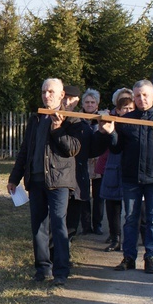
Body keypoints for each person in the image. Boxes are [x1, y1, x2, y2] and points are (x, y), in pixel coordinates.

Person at [7, 78, 81, 287]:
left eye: (50, 92)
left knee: (59, 224)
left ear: (61, 95)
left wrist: (58, 129)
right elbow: (25, 151)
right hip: (36, 179)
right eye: (43, 92)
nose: (46, 95)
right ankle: (42, 269)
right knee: (39, 226)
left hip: (59, 181)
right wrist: (14, 178)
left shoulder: (71, 119)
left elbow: (73, 148)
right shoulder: (36, 119)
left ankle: (61, 271)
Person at [97, 80, 153, 275]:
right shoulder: (127, 120)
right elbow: (117, 148)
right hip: (131, 178)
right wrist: (111, 134)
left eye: (145, 95)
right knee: (130, 219)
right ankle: (128, 257)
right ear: (134, 98)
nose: (141, 99)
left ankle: (150, 257)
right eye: (138, 96)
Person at [99, 95, 135, 251]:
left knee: (133, 209)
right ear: (118, 110)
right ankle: (115, 238)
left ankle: (133, 239)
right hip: (113, 167)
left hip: (131, 169)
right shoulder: (112, 125)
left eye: (130, 108)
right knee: (112, 206)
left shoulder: (138, 124)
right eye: (124, 108)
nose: (127, 111)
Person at [63, 85, 93, 241]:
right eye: (65, 97)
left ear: (76, 101)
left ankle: (65, 254)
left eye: (71, 99)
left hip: (77, 179)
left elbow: (93, 149)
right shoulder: (53, 121)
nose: (67, 101)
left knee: (72, 225)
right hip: (59, 179)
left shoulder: (82, 125)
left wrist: (104, 134)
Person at [82, 88, 104, 235]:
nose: (90, 105)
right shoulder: (77, 119)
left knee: (99, 195)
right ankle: (85, 225)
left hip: (98, 160)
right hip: (83, 159)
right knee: (84, 194)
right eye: (87, 102)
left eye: (92, 102)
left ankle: (98, 225)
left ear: (97, 104)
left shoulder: (102, 118)